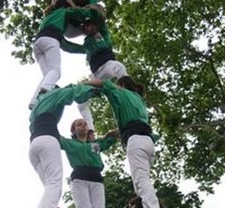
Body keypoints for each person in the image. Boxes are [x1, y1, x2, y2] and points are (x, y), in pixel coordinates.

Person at [84, 76, 160, 208]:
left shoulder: (121, 92)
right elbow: (131, 123)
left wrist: (81, 84)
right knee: (141, 185)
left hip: (136, 141)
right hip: (148, 141)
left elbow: (103, 83)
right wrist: (108, 134)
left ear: (122, 85)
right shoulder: (138, 99)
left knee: (141, 181)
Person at [29, 83, 101, 208]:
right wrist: (94, 91)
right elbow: (74, 92)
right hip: (48, 139)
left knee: (49, 189)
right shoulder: (55, 94)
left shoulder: (38, 105)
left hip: (34, 145)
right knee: (54, 184)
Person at [29, 0, 103, 109]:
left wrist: (83, 49)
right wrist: (93, 10)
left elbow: (64, 45)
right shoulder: (64, 11)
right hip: (51, 40)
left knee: (48, 76)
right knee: (56, 72)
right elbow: (80, 13)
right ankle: (43, 93)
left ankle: (33, 102)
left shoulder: (49, 17)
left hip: (37, 43)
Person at [61, 17, 128, 130]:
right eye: (86, 26)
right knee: (81, 100)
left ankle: (128, 92)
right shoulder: (87, 45)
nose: (89, 28)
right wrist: (59, 38)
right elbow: (71, 47)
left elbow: (100, 18)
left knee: (119, 67)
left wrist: (94, 9)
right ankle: (90, 130)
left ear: (95, 26)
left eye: (91, 25)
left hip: (108, 64)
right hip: (97, 74)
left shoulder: (104, 35)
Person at [59, 118, 118, 208]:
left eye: (85, 124)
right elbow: (54, 136)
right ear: (73, 131)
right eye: (79, 124)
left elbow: (115, 135)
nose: (83, 126)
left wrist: (108, 134)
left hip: (97, 179)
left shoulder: (95, 145)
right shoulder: (69, 143)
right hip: (79, 179)